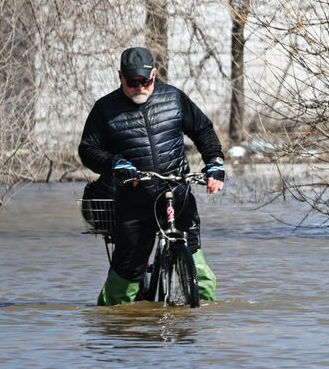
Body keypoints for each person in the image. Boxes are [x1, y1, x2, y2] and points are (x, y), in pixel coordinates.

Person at [79, 46, 226, 306]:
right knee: (125, 278)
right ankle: (111, 323)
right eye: (132, 82)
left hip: (177, 197)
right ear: (120, 77)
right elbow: (88, 150)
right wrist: (115, 164)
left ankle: (202, 320)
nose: (140, 87)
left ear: (154, 75)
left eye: (145, 81)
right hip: (134, 201)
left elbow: (203, 130)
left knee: (200, 272)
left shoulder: (174, 98)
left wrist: (214, 163)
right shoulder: (105, 109)